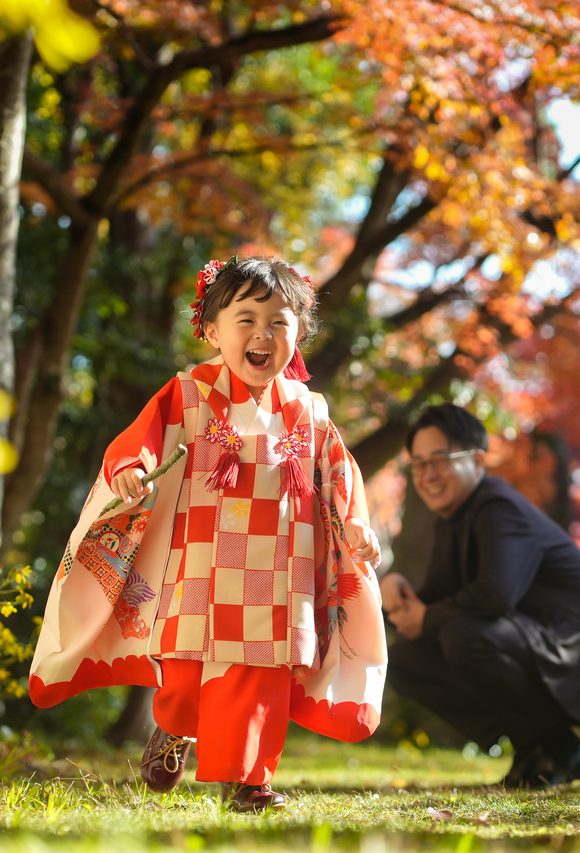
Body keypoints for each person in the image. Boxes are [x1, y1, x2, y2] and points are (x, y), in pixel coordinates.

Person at [29, 257, 387, 812]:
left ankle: (249, 781)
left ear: (300, 333)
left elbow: (340, 476)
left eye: (279, 321)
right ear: (211, 329)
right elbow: (142, 437)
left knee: (262, 674)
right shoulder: (188, 392)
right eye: (245, 319)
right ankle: (173, 728)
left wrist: (357, 522)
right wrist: (132, 465)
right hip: (199, 561)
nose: (262, 334)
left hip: (278, 570)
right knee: (185, 677)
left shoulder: (309, 411)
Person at [380, 405, 580, 789]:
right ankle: (538, 750)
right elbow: (435, 604)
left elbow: (494, 597)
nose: (427, 475)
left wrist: (425, 617)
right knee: (406, 659)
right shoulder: (454, 520)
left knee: (461, 635)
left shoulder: (497, 508)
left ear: (477, 460)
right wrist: (394, 595)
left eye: (439, 460)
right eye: (418, 464)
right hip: (533, 644)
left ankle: (559, 749)